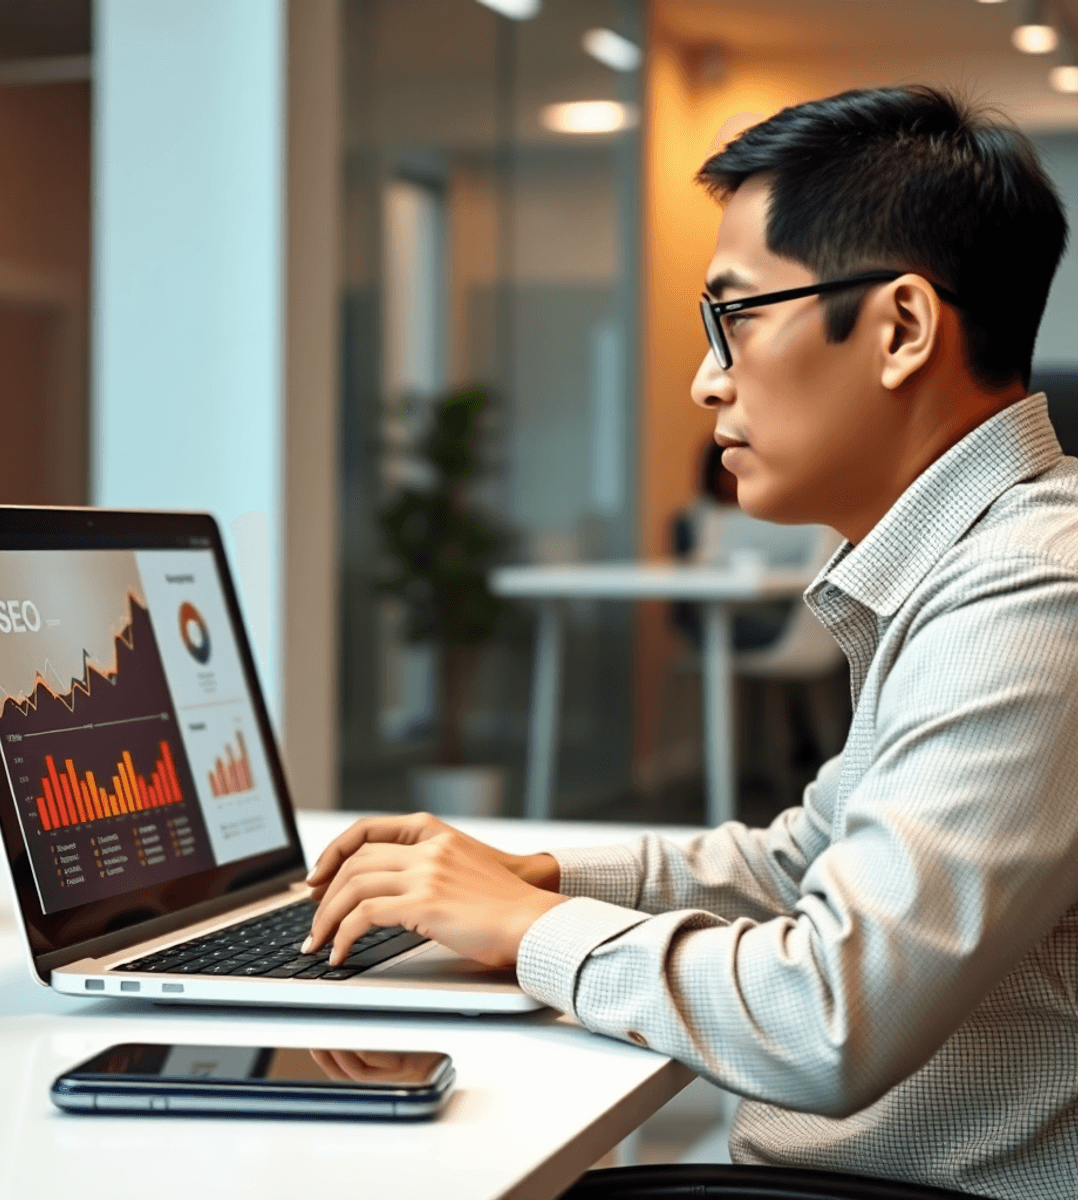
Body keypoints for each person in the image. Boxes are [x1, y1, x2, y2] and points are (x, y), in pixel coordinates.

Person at [304, 87, 1077, 1199]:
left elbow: (829, 1013)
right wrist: (546, 875)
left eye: (738, 316)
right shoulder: (974, 562)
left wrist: (531, 926)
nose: (706, 379)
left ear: (902, 328)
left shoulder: (1033, 588)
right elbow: (804, 868)